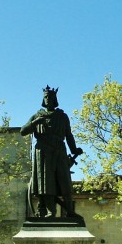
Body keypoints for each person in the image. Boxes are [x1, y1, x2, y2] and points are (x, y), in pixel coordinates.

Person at [19, 85, 83, 218]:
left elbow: (69, 135)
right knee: (46, 182)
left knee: (64, 180)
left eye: (50, 97)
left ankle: (70, 211)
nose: (48, 99)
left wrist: (74, 149)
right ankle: (50, 211)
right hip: (43, 151)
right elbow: (23, 131)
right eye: (46, 97)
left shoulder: (62, 116)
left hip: (59, 150)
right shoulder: (37, 116)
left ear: (55, 99)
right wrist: (35, 122)